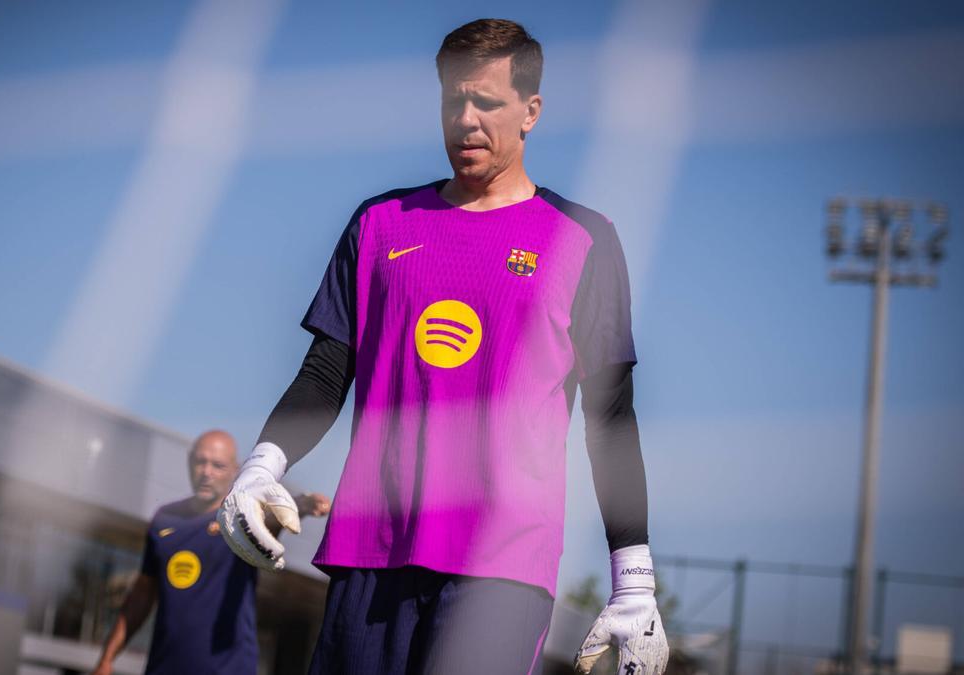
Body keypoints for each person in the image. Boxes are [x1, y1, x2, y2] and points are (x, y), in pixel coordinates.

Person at [218, 18, 668, 675]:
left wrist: (634, 578)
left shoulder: (583, 239)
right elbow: (324, 370)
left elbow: (611, 416)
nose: (465, 120)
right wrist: (261, 467)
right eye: (453, 100)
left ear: (531, 111)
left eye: (486, 101)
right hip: (371, 547)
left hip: (502, 565)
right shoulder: (379, 223)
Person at [92, 430, 329, 675]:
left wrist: (301, 504)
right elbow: (142, 594)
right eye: (200, 462)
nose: (206, 471)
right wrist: (106, 660)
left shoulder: (241, 517)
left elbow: (272, 520)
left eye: (217, 465)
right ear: (189, 461)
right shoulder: (164, 519)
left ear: (236, 470)